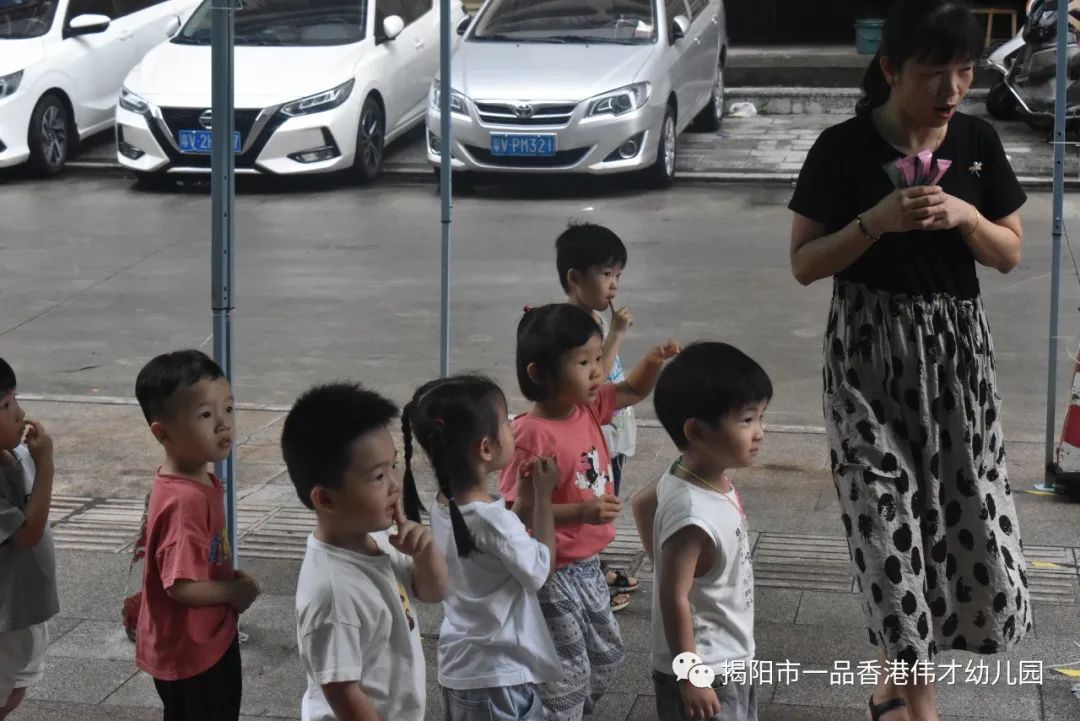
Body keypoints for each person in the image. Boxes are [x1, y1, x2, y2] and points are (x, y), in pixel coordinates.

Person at [788, 2, 1031, 720]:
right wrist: (876, 222)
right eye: (934, 72)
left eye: (964, 70)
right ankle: (918, 709)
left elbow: (1010, 252)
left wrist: (967, 217)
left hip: (958, 361)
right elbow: (803, 263)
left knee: (958, 523)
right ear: (892, 69)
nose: (952, 87)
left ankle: (892, 688)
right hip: (867, 358)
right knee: (884, 521)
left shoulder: (981, 142)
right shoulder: (841, 149)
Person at [498, 303, 678, 721]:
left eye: (598, 358)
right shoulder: (529, 435)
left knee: (608, 655)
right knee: (568, 672)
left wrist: (652, 362)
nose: (597, 371)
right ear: (539, 374)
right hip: (551, 571)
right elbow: (513, 511)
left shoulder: (587, 408)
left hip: (587, 566)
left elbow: (632, 390)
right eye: (584, 362)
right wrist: (581, 510)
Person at [281, 382, 448, 721]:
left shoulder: (381, 536)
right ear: (326, 499)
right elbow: (342, 691)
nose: (394, 484)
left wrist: (425, 553)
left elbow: (433, 590)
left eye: (394, 465)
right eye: (377, 476)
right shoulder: (332, 593)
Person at [401, 374, 562, 721]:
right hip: (498, 674)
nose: (513, 425)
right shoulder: (491, 520)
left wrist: (525, 494)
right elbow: (540, 570)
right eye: (505, 421)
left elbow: (498, 548)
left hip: (464, 666)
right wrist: (546, 498)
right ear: (486, 448)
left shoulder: (445, 505)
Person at [632, 343, 771, 721]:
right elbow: (674, 597)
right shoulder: (693, 514)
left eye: (761, 416)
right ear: (696, 430)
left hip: (729, 651)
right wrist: (690, 675)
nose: (760, 431)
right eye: (747, 420)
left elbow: (642, 503)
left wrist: (661, 560)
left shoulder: (693, 472)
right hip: (708, 665)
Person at [134, 350, 261, 721]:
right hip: (195, 652)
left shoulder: (189, 478)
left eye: (229, 409)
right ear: (163, 433)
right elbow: (181, 586)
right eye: (205, 415)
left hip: (193, 641)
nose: (223, 424)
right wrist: (236, 592)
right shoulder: (186, 500)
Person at [555, 222, 640, 602]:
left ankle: (595, 565)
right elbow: (597, 376)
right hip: (596, 432)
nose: (614, 284)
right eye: (606, 274)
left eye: (618, 275)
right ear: (575, 278)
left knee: (602, 494)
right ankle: (590, 574)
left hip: (608, 429)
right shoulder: (574, 324)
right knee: (597, 497)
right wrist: (618, 333)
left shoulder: (590, 316)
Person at [0, 358, 58, 721]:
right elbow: (29, 531)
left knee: (18, 685)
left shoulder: (12, 457)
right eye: (5, 406)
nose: (19, 413)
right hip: (5, 616)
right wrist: (46, 463)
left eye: (14, 400)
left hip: (23, 607)